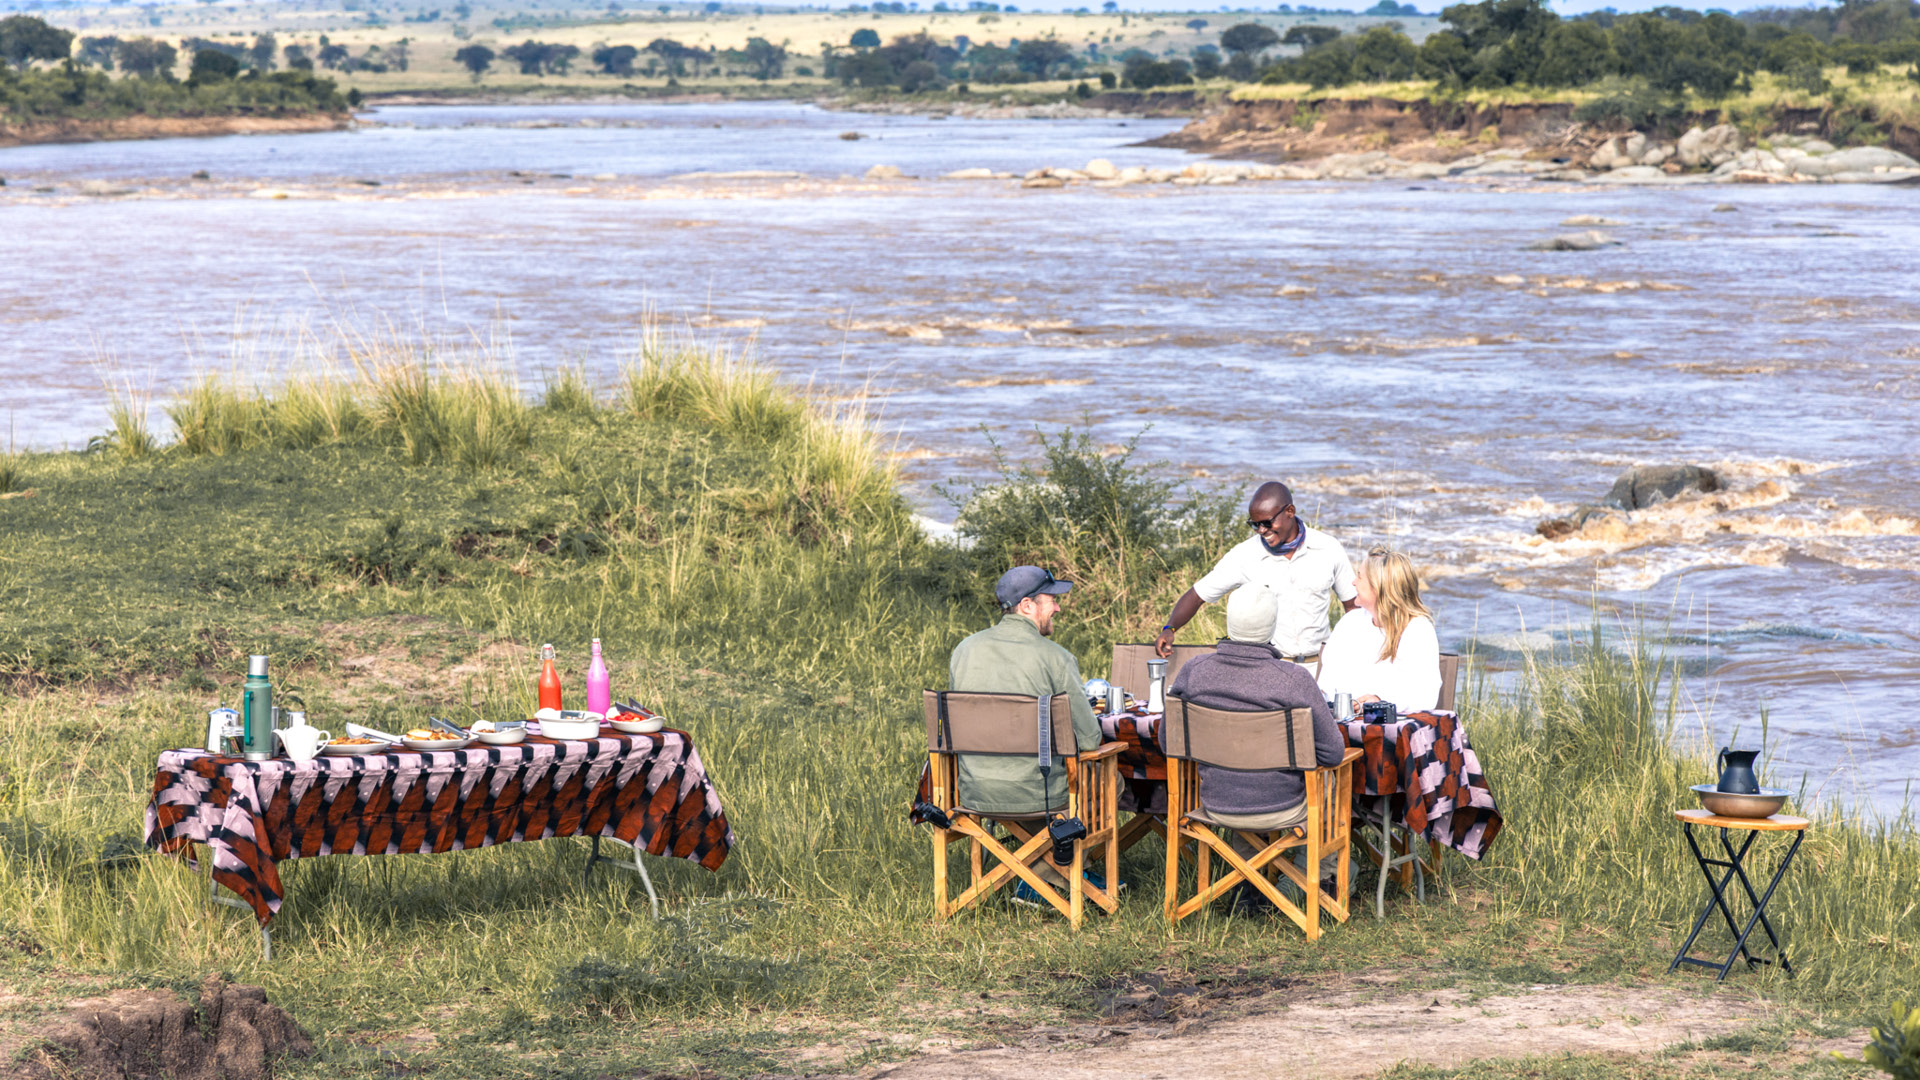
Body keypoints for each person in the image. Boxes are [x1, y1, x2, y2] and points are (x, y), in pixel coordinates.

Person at [1166, 585, 1347, 908]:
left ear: (1229, 621)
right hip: (1283, 808)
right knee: (1332, 777)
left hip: (1215, 804)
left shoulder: (1194, 671)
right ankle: (1317, 879)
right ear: (1271, 627)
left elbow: (1169, 742)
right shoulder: (1293, 678)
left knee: (1237, 776)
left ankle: (1250, 882)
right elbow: (1333, 753)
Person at [949, 565, 1105, 897]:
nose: (1058, 608)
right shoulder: (1056, 658)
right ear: (1027, 606)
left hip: (973, 791)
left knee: (1034, 779)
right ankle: (1055, 877)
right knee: (1108, 780)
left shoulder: (964, 650)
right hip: (1039, 795)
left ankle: (1032, 873)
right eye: (1052, 600)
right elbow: (1090, 740)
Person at [1154, 481, 1357, 669]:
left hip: (1322, 666)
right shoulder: (1244, 556)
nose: (1261, 530)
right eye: (1255, 524)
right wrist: (1169, 628)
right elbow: (1198, 595)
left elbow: (1353, 607)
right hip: (1271, 667)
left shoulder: (1328, 548)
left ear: (1290, 511)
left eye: (1267, 523)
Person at [1317, 546, 1441, 714]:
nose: (1353, 582)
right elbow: (1326, 683)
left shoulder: (1417, 630)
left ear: (1379, 587)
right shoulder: (1350, 622)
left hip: (1393, 731)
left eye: (1360, 577)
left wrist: (1378, 700)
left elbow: (1425, 695)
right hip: (1342, 725)